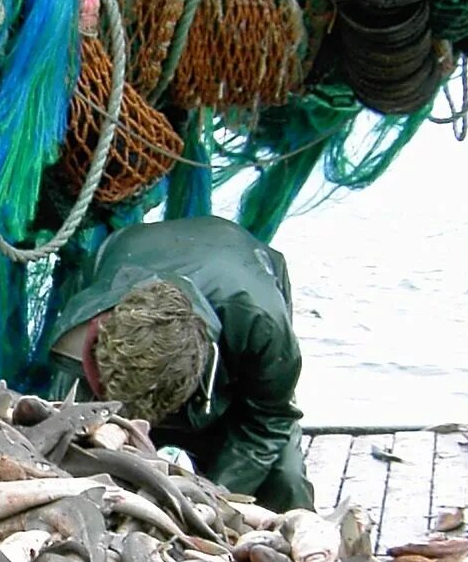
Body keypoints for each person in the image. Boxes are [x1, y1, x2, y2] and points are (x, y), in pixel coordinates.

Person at [43, 214, 314, 510]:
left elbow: (269, 421)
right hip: (137, 259)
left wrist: (214, 498)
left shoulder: (263, 322)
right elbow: (68, 420)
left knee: (286, 478)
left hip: (241, 298)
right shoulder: (86, 312)